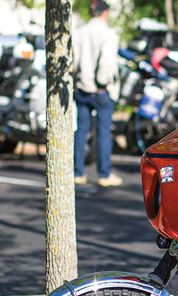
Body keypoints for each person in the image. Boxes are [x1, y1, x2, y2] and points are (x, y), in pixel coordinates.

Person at [73, 0, 122, 186]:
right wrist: (102, 84)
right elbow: (107, 63)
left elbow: (74, 61)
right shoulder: (109, 34)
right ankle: (104, 174)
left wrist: (77, 80)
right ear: (105, 13)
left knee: (81, 130)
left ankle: (78, 173)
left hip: (82, 87)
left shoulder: (79, 32)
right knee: (103, 132)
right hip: (101, 90)